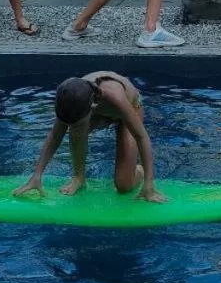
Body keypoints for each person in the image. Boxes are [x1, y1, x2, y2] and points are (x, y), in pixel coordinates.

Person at [13, 71, 165, 203]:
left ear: (92, 107)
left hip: (130, 106)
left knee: (124, 186)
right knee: (75, 129)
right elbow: (54, 136)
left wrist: (148, 184)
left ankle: (139, 169)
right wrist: (37, 175)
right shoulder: (69, 100)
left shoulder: (116, 99)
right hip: (96, 110)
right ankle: (79, 178)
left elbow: (142, 137)